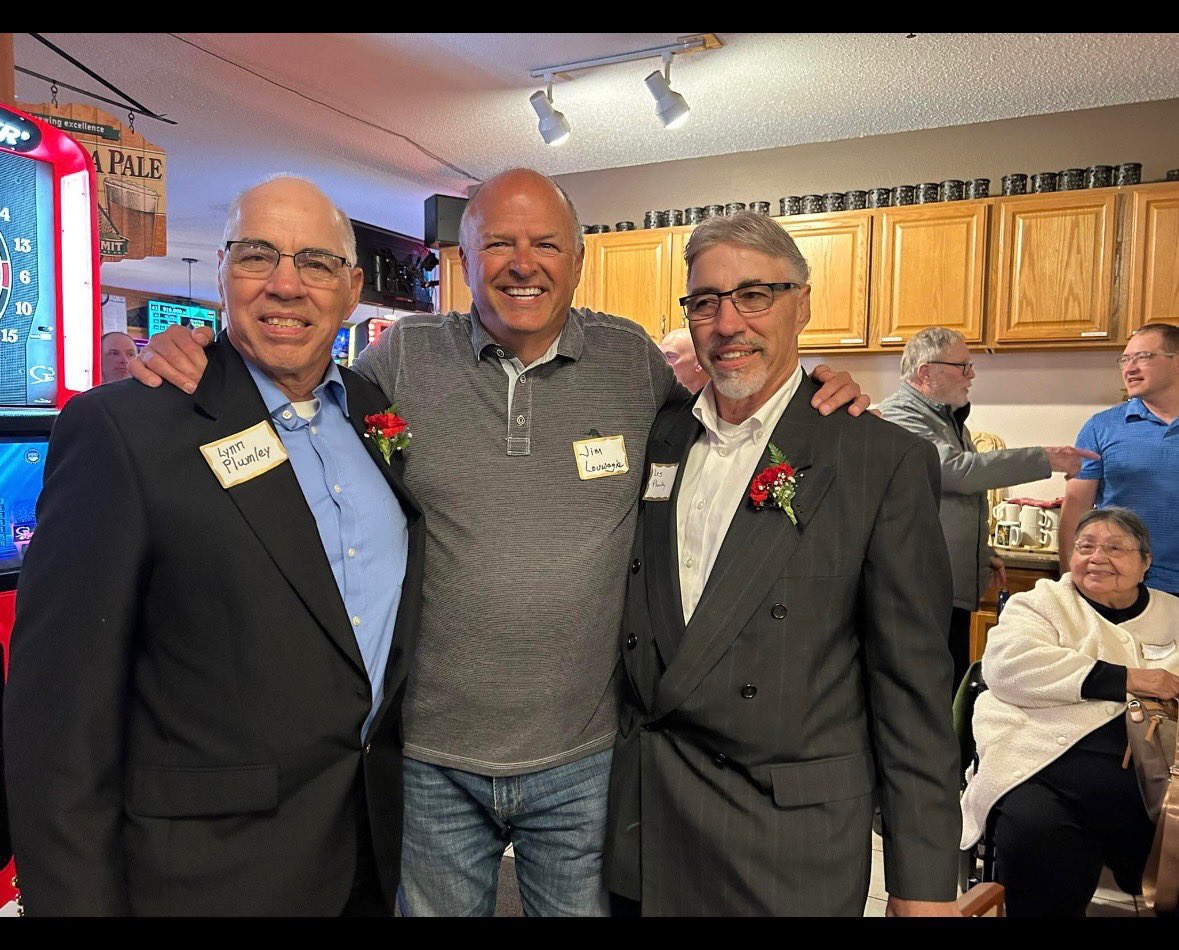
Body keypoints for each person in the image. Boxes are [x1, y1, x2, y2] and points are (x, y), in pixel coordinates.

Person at [127, 168, 869, 917]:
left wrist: (810, 391)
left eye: (546, 243)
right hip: (427, 757)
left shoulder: (631, 362)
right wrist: (198, 354)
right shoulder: (404, 359)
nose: (523, 263)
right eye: (498, 244)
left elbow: (730, 419)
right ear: (464, 260)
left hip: (583, 755)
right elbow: (297, 393)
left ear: (578, 259)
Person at [3, 177, 424, 915]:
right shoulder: (126, 428)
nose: (286, 285)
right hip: (206, 874)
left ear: (353, 288)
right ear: (224, 272)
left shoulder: (370, 410)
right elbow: (56, 721)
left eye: (317, 264)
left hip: (366, 849)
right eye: (258, 255)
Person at [603, 212, 961, 916]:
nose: (726, 323)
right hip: (645, 829)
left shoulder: (878, 458)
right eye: (704, 302)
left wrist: (923, 884)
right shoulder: (656, 434)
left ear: (803, 303)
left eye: (754, 296)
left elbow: (912, 684)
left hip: (785, 842)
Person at [961, 507, 1179, 917]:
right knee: (1034, 836)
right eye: (1086, 546)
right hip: (1039, 768)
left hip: (1157, 780)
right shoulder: (1040, 604)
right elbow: (1009, 666)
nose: (1097, 557)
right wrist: (1128, 678)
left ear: (1145, 562)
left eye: (1115, 548)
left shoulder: (1172, 613)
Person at [877, 327, 1097, 689]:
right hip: (918, 586)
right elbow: (955, 473)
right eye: (963, 366)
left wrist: (982, 551)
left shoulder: (944, 417)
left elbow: (944, 501)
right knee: (927, 692)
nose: (972, 375)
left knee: (948, 687)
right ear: (925, 371)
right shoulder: (901, 416)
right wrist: (1046, 458)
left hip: (943, 584)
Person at [1061, 322, 1179, 595]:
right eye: (1125, 359)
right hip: (1119, 589)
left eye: (1143, 357)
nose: (1130, 368)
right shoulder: (1101, 427)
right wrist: (1070, 582)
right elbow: (1076, 507)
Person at [659, 327, 708, 393]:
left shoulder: (720, 400)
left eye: (670, 356)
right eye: (660, 355)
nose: (659, 362)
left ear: (701, 362)